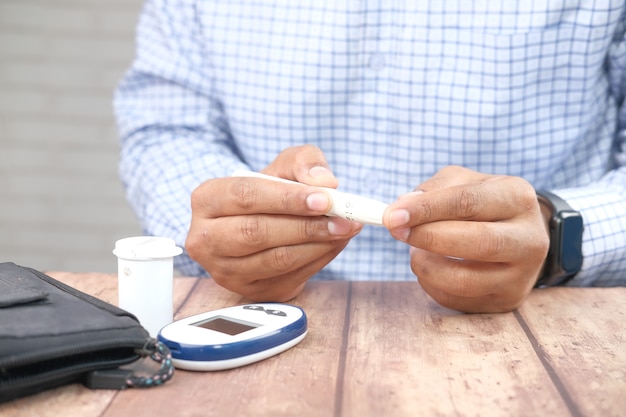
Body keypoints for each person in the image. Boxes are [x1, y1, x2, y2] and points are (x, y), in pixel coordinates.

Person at [114, 0, 626, 313]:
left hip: (547, 317)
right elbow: (165, 125)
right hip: (257, 317)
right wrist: (227, 223)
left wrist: (559, 233)